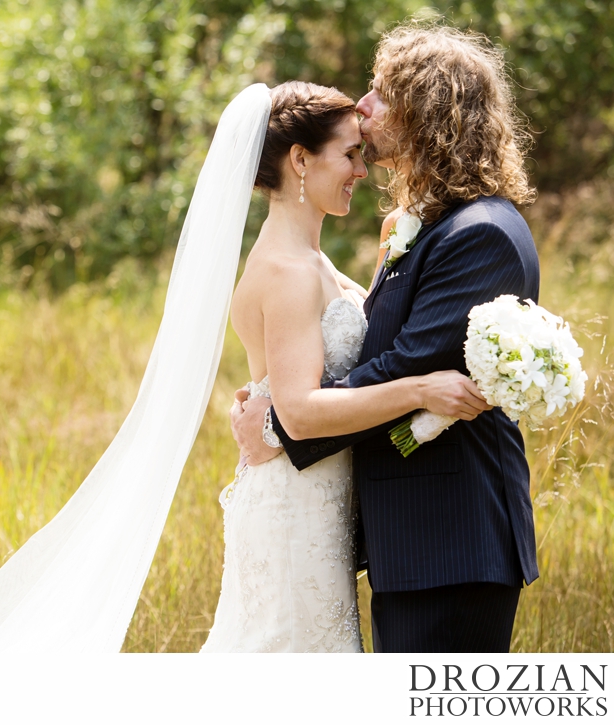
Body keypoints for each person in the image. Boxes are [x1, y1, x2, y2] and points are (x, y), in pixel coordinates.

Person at [231, 23, 540, 653]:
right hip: (413, 540)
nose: (363, 107)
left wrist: (281, 425)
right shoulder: (428, 228)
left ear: (426, 111)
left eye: (379, 93)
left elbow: (406, 363)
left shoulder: (477, 233)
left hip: (451, 537)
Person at [198, 81, 488, 653]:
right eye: (349, 154)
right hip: (293, 509)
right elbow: (300, 414)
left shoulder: (311, 259)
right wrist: (422, 388)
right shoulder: (287, 271)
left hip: (320, 504)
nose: (362, 169)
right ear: (300, 160)